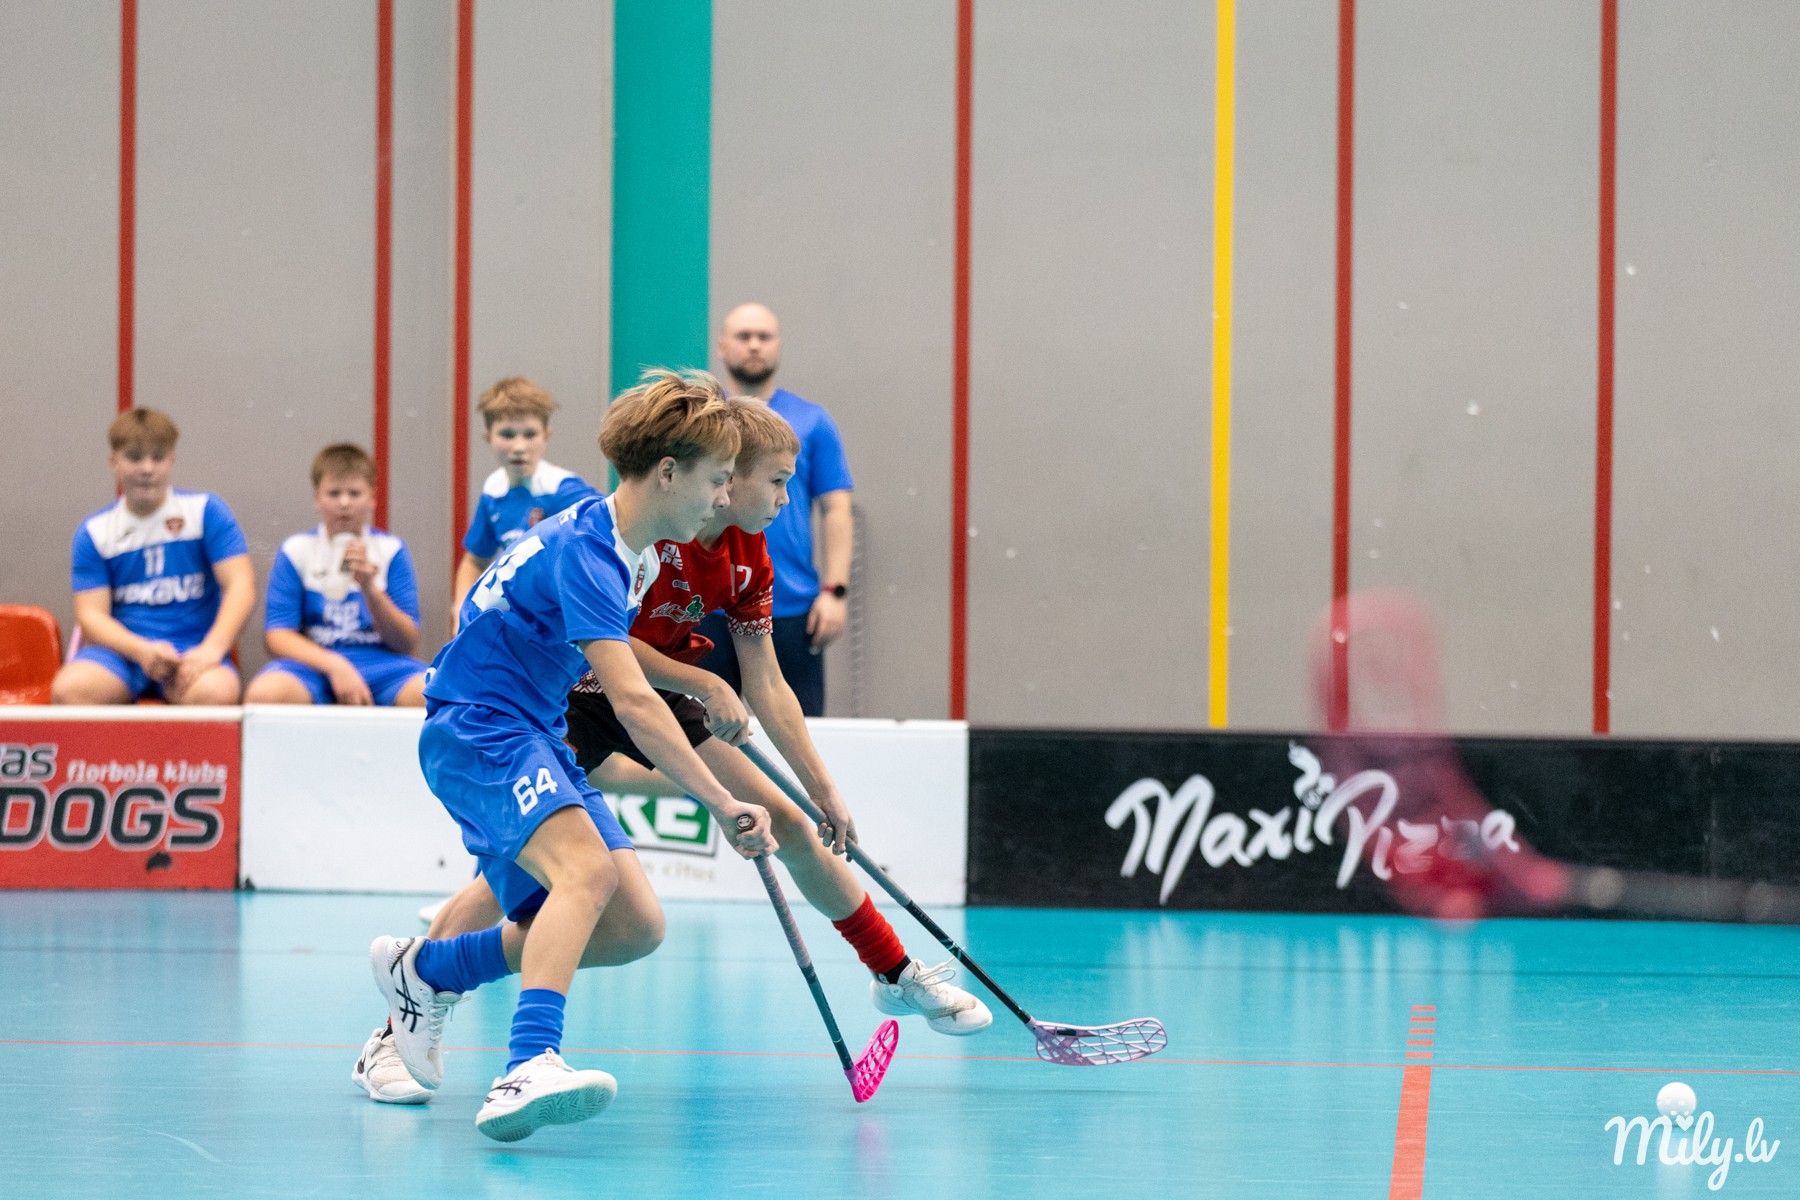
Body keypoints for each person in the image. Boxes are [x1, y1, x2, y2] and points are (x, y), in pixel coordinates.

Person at [355, 400, 990, 1107]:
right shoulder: (623, 542)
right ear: (694, 474)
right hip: (526, 712)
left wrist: (819, 787)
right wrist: (714, 771)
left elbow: (755, 682)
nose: (777, 499)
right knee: (553, 872)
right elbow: (622, 678)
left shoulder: (698, 548)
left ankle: (428, 973)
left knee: (638, 923)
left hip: (572, 705)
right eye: (761, 480)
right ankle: (469, 1047)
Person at [361, 369, 776, 1143]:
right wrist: (721, 803)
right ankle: (527, 1063)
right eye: (717, 479)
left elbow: (618, 659)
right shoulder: (590, 549)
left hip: (535, 731)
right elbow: (633, 704)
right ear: (667, 473)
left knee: (634, 927)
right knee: (585, 871)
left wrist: (700, 687)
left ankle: (428, 972)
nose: (725, 496)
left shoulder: (633, 552)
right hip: (481, 729)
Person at [695, 302, 853, 716]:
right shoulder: (702, 422)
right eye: (743, 336)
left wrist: (835, 591)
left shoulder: (813, 421)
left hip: (789, 605)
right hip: (704, 602)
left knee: (796, 721)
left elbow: (837, 509)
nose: (754, 345)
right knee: (700, 727)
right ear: (723, 346)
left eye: (763, 337)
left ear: (777, 345)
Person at [52, 408, 254, 705]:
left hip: (192, 650)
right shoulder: (94, 532)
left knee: (216, 692)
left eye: (158, 458)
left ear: (171, 459)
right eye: (134, 458)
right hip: (120, 655)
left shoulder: (206, 512)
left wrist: (212, 649)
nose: (147, 469)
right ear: (114, 461)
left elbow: (241, 586)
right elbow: (91, 615)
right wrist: (141, 651)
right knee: (70, 689)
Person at [243, 444, 428, 707]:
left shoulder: (391, 550)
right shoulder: (297, 550)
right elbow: (277, 636)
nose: (344, 503)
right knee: (265, 694)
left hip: (384, 666)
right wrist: (335, 665)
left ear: (372, 498)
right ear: (317, 498)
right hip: (314, 665)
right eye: (334, 493)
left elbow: (406, 643)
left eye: (354, 493)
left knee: (430, 695)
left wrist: (370, 589)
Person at [450, 376, 598, 624]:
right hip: (519, 617)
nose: (519, 446)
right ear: (488, 437)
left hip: (564, 618)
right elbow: (475, 560)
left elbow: (610, 535)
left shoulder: (564, 490)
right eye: (507, 434)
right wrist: (460, 611)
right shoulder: (493, 491)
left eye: (530, 434)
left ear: (546, 435)